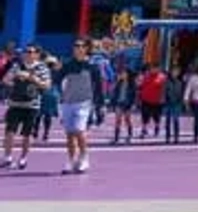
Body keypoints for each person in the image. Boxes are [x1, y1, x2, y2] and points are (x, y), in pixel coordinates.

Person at [54, 38, 102, 173]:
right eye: (76, 46)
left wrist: (100, 106)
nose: (78, 48)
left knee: (80, 131)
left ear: (86, 49)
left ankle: (84, 158)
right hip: (68, 102)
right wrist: (57, 71)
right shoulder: (67, 65)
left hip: (84, 103)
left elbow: (98, 87)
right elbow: (56, 80)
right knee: (69, 134)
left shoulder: (92, 67)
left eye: (82, 46)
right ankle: (70, 161)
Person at [2, 44, 52, 169]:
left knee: (27, 134)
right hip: (15, 103)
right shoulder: (17, 66)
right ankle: (7, 157)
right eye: (26, 51)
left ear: (37, 54)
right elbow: (5, 80)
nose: (28, 54)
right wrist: (15, 77)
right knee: (9, 132)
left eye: (31, 52)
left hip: (32, 105)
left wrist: (32, 78)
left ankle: (23, 158)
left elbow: (47, 86)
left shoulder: (42, 68)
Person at [137, 63, 167, 139]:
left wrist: (163, 98)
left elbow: (164, 89)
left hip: (157, 101)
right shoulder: (146, 76)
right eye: (152, 68)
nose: (154, 70)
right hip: (145, 99)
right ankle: (144, 129)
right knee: (145, 115)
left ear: (159, 69)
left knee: (156, 116)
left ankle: (157, 127)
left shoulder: (162, 77)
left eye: (156, 68)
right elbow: (140, 86)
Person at [109, 67, 137, 144]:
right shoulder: (119, 83)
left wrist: (133, 104)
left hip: (128, 104)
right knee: (118, 120)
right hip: (119, 103)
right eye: (122, 73)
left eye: (124, 73)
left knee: (127, 120)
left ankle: (129, 135)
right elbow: (114, 93)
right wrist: (112, 103)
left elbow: (134, 95)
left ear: (128, 74)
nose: (122, 74)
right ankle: (116, 138)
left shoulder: (132, 84)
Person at [38, 57, 61, 141]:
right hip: (53, 93)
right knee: (48, 115)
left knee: (38, 114)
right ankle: (46, 133)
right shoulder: (57, 72)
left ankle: (35, 131)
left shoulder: (42, 72)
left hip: (43, 92)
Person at [162, 65, 185, 144]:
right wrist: (164, 101)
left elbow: (182, 93)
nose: (175, 73)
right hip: (168, 103)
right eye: (174, 71)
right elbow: (164, 92)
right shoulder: (166, 82)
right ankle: (167, 137)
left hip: (177, 103)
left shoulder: (180, 82)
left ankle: (176, 137)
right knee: (168, 121)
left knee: (176, 120)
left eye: (177, 72)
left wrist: (182, 103)